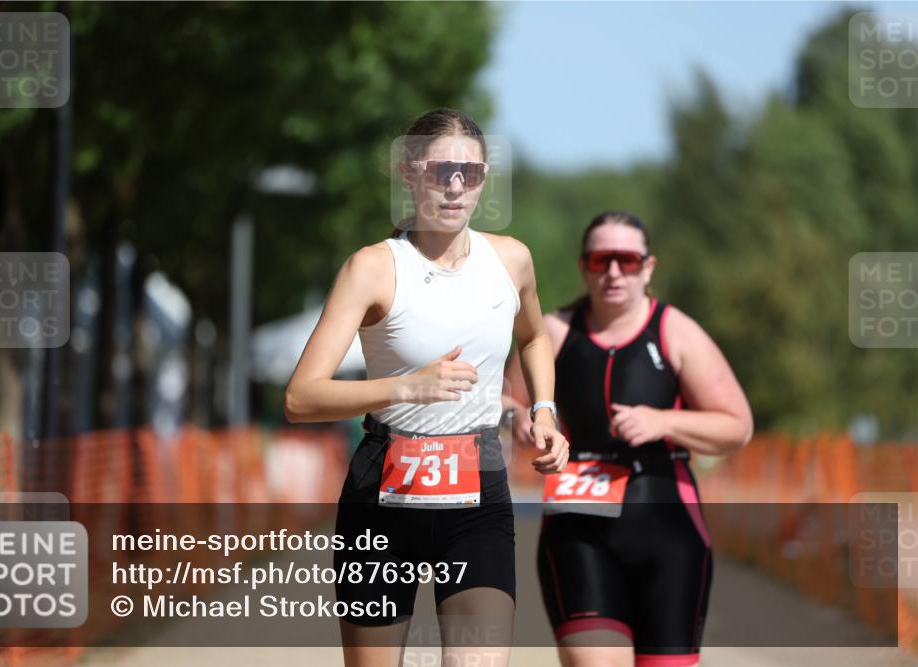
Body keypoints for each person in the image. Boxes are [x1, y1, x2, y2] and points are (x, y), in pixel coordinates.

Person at [284, 108, 569, 667]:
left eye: (471, 172)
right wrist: (406, 389)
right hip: (382, 496)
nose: (456, 185)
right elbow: (301, 397)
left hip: (478, 492)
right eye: (440, 170)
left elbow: (534, 338)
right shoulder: (372, 269)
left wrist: (545, 410)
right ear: (409, 173)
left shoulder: (511, 260)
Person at [504, 211, 753, 667]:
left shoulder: (675, 330)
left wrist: (665, 422)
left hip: (668, 530)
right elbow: (505, 401)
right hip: (578, 527)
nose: (614, 272)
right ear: (584, 267)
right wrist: (518, 420)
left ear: (648, 267)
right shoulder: (555, 333)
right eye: (601, 260)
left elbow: (737, 425)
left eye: (628, 260)